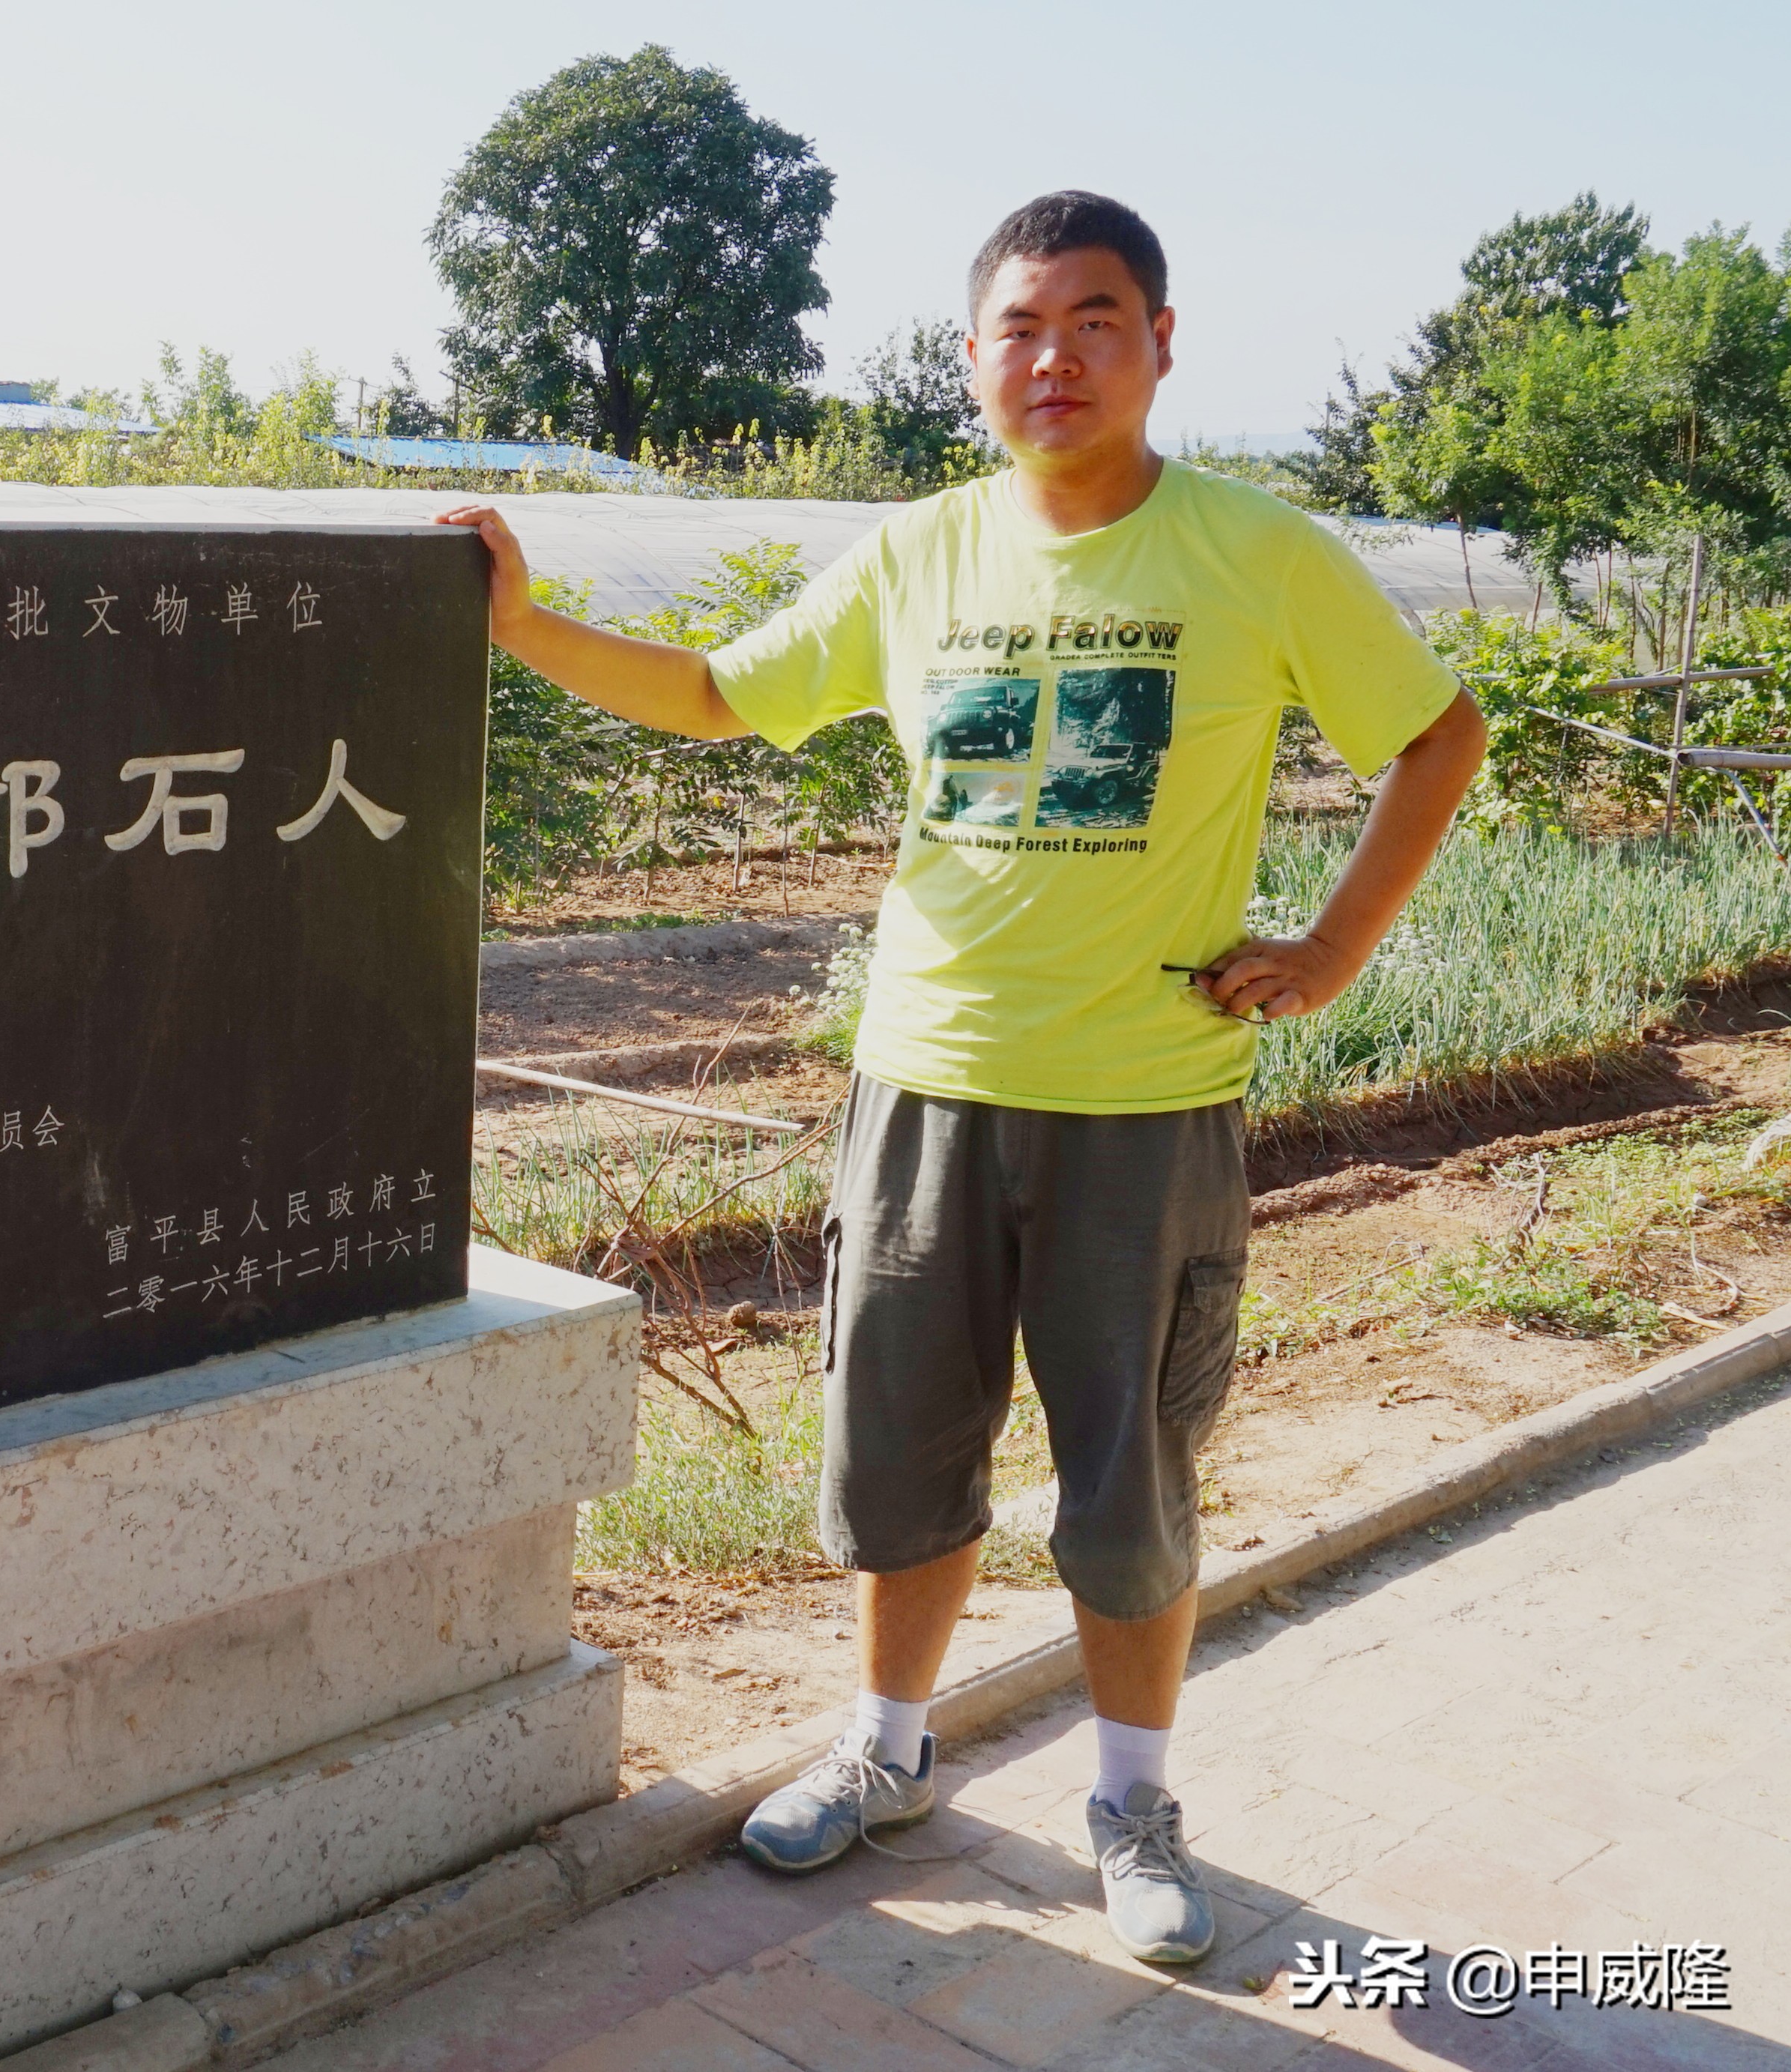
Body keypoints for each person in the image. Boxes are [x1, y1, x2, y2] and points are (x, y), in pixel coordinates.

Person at [437, 190, 1485, 1965]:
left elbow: (1435, 733)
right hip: (923, 1079)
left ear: (1160, 344)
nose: (1054, 353)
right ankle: (885, 1754)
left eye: (1095, 318)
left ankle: (1132, 1804)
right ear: (972, 356)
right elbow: (712, 692)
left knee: (1127, 1472)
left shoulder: (1256, 550)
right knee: (902, 1449)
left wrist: (1328, 949)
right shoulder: (919, 552)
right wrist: (520, 623)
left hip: (1144, 1101)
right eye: (1018, 324)